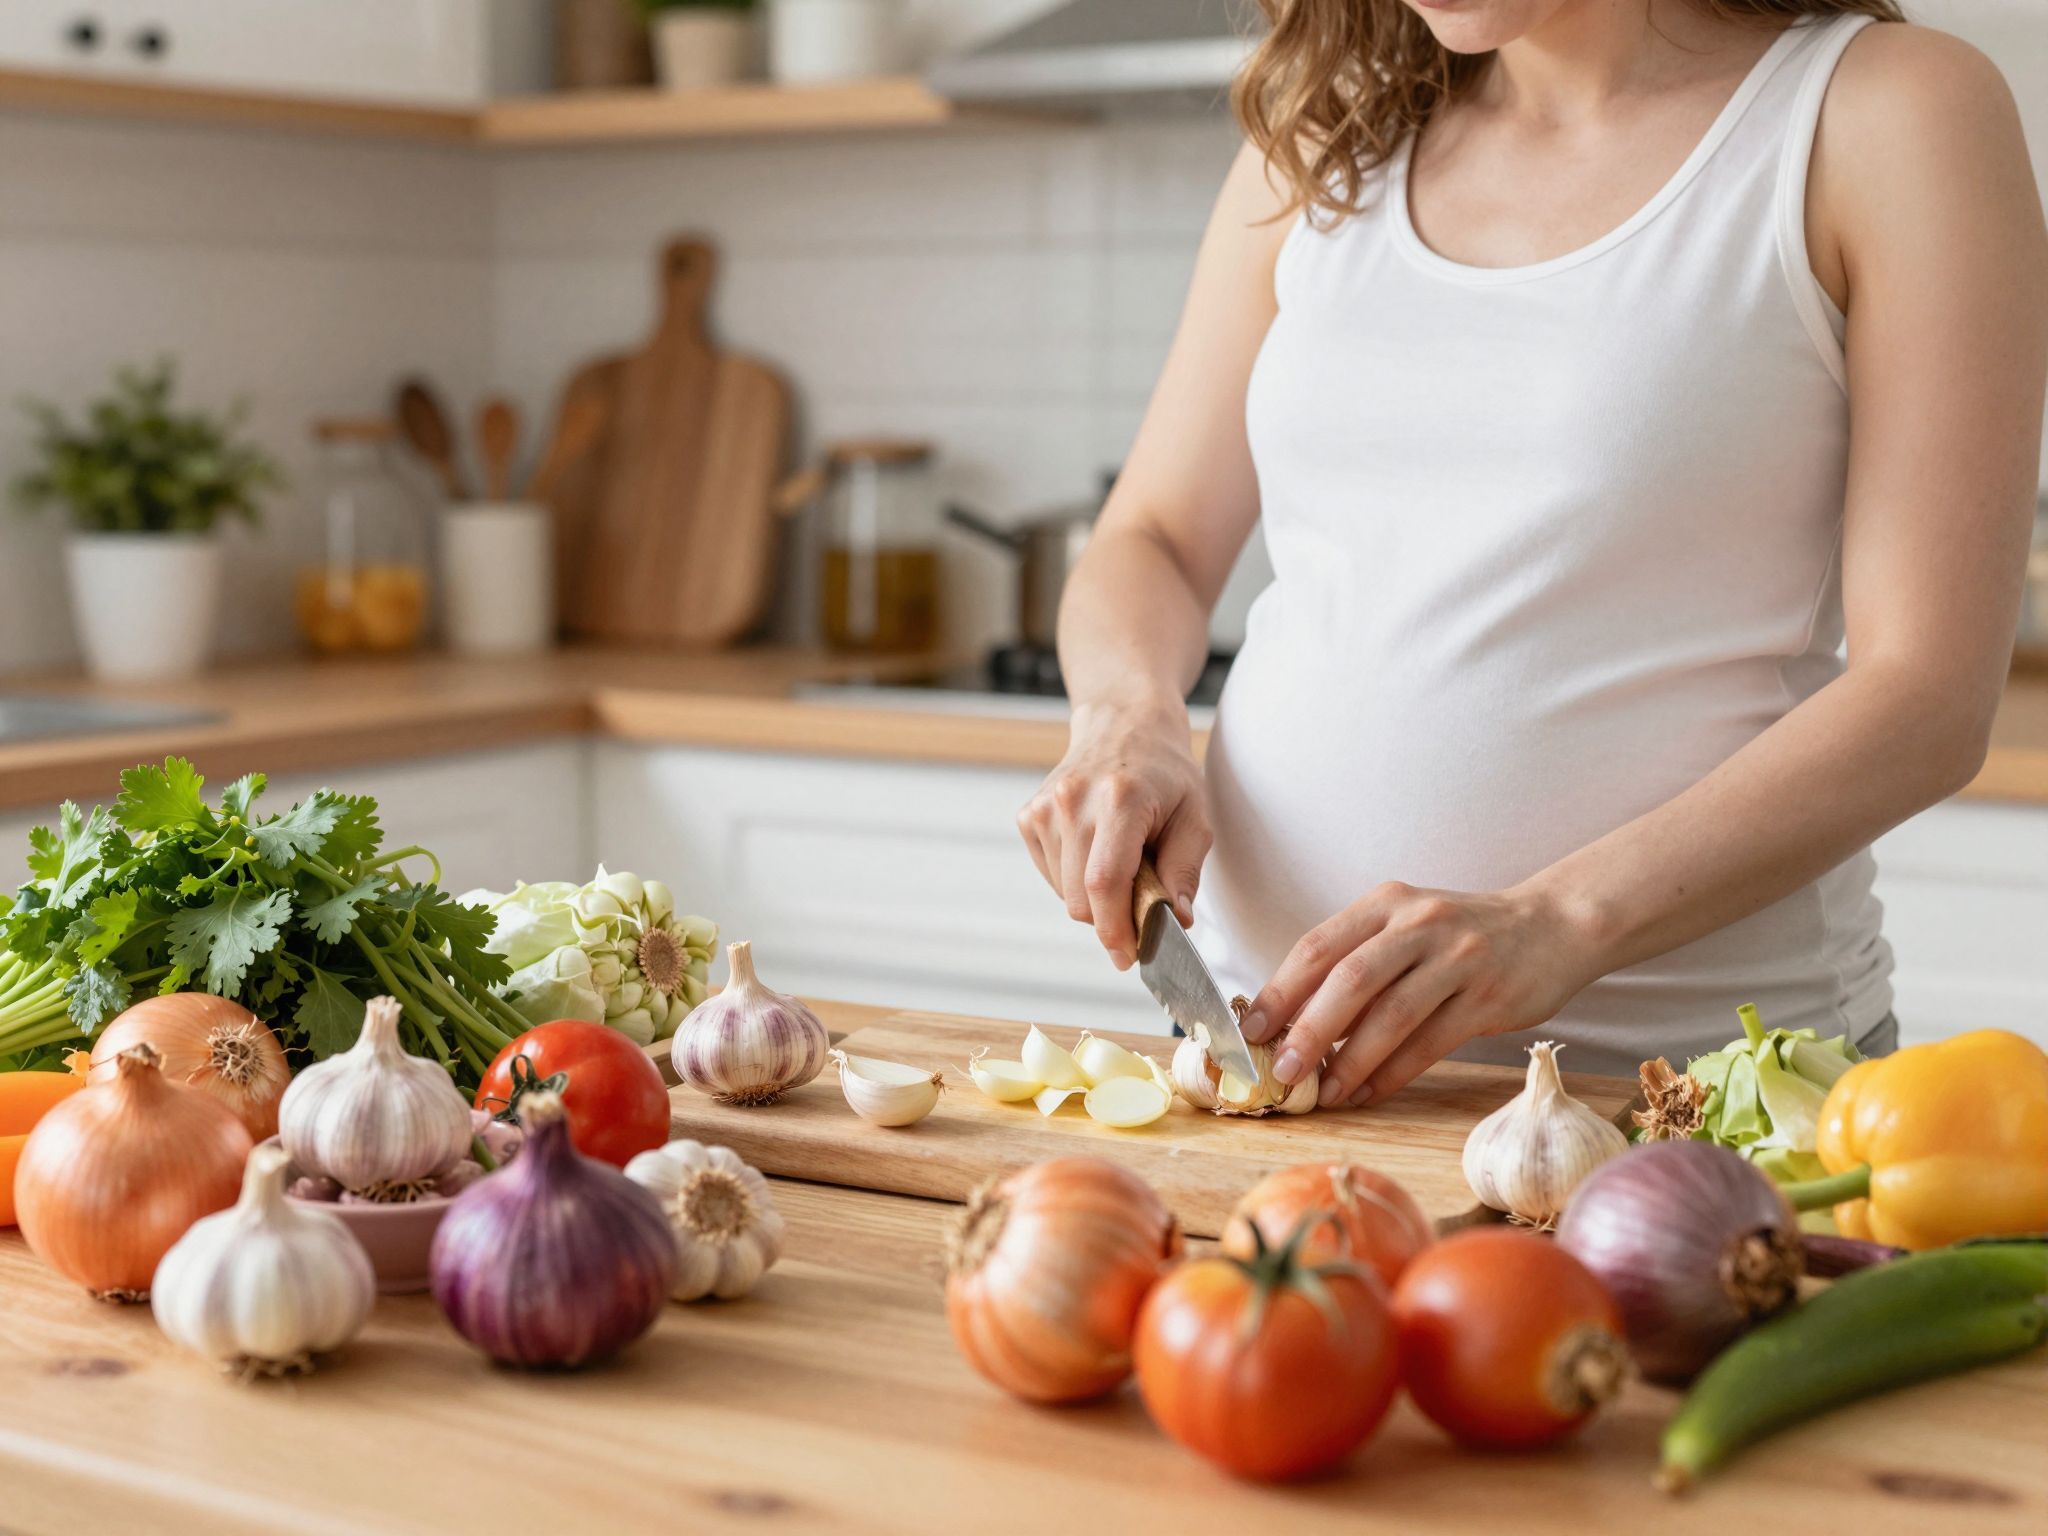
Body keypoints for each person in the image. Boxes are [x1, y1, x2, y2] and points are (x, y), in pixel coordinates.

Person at [1017, 0, 2048, 1101]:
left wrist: (1553, 921)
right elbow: (1154, 539)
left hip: (1684, 1098)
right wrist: (1126, 720)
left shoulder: (1881, 112)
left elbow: (1926, 696)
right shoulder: (1325, 142)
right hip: (1267, 1067)